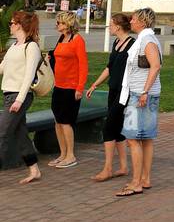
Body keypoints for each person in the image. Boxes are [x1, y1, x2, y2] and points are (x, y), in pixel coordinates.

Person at [115, 7, 162, 197]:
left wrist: (144, 91)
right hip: (144, 94)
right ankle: (145, 178)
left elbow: (155, 65)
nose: (130, 22)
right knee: (146, 138)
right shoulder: (146, 39)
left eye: (133, 19)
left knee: (133, 138)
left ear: (142, 21)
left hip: (140, 95)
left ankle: (136, 183)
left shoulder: (147, 41)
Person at [85, 13, 134, 182]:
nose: (109, 27)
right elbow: (109, 67)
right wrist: (95, 84)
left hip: (124, 92)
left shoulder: (132, 45)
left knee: (108, 127)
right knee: (118, 128)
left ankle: (107, 168)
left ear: (118, 26)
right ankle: (123, 166)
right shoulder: (116, 43)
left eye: (111, 24)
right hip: (113, 90)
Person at [0, 10, 44, 184]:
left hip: (19, 97)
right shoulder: (14, 46)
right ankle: (34, 170)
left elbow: (29, 76)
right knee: (20, 134)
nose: (9, 26)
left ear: (19, 25)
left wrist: (19, 99)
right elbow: (2, 68)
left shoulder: (31, 47)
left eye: (11, 23)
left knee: (2, 132)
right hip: (8, 94)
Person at [48, 12, 88, 169]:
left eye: (59, 22)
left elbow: (83, 66)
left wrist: (80, 88)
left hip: (71, 87)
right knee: (57, 121)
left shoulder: (77, 40)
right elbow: (59, 58)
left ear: (67, 23)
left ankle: (71, 155)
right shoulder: (61, 38)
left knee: (66, 122)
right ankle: (63, 154)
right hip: (58, 85)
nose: (57, 25)